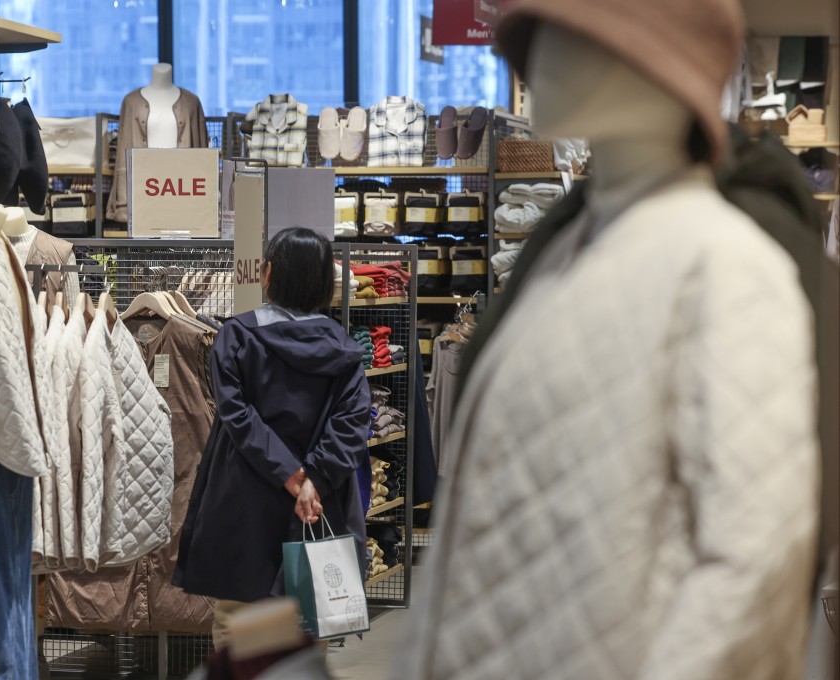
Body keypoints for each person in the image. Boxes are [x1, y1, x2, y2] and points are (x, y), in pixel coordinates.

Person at [395, 1, 821, 679]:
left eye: (572, 37)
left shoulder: (727, 268)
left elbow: (755, 561)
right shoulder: (566, 255)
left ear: (656, 67)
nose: (538, 61)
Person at [173, 227, 371, 649]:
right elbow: (352, 422)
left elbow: (236, 414)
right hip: (319, 501)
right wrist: (312, 479)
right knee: (308, 615)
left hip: (244, 491)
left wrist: (291, 475)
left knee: (238, 619)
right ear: (323, 282)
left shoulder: (238, 336)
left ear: (268, 274)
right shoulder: (345, 349)